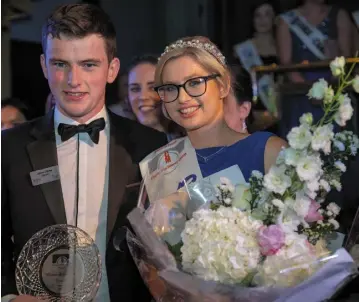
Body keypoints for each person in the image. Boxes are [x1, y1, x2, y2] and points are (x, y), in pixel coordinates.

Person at [1, 4, 167, 302]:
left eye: (88, 64)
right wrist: (8, 297)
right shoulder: (9, 148)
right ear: (43, 65)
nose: (73, 80)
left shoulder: (149, 145)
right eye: (60, 64)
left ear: (112, 69)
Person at [155, 36, 286, 182]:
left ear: (223, 86)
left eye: (194, 83)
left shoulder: (268, 152)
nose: (182, 98)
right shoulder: (160, 166)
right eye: (171, 88)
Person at [276, 0, 352, 137]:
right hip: (300, 94)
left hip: (333, 91)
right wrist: (311, 91)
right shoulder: (287, 20)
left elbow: (346, 59)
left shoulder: (339, 15)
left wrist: (330, 88)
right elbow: (286, 64)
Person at [233, 1, 279, 133]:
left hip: (279, 111)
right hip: (252, 114)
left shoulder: (283, 48)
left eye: (267, 14)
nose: (262, 20)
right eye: (258, 15)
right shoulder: (242, 50)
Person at [127, 55, 183, 141]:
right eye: (135, 89)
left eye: (153, 88)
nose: (143, 96)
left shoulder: (191, 140)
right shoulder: (118, 146)